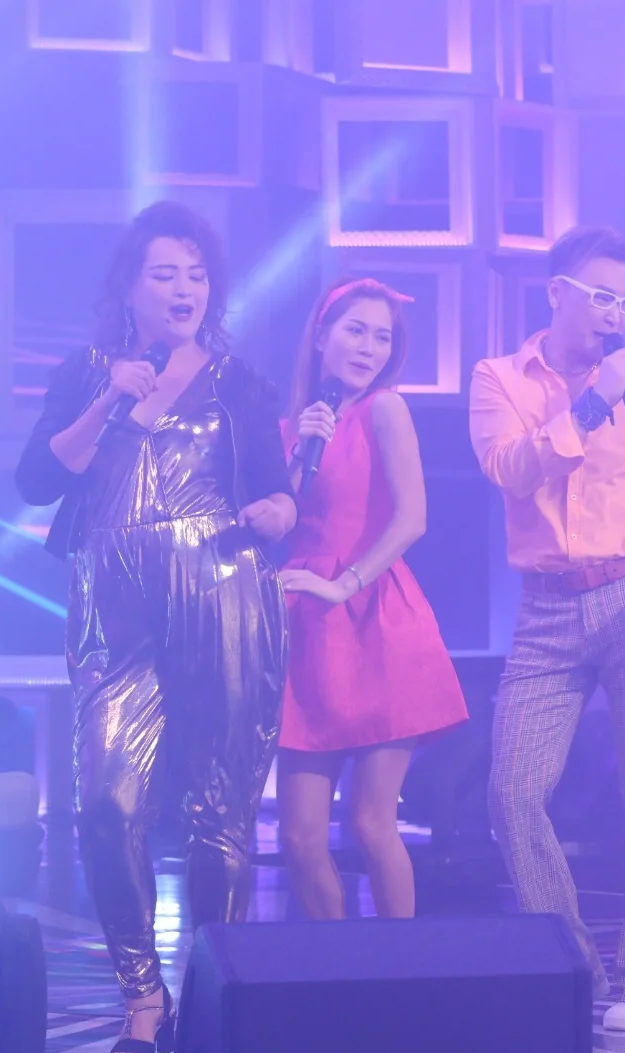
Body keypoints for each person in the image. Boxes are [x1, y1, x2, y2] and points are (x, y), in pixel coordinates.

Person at [14, 201, 294, 1053]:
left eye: (197, 275)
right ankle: (143, 998)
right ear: (129, 290)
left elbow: (279, 492)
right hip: (115, 605)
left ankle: (211, 997)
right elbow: (36, 481)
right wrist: (111, 399)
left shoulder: (240, 382)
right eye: (165, 273)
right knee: (106, 804)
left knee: (220, 811)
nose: (184, 289)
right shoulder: (86, 374)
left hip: (221, 590)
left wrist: (280, 511)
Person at [469, 224, 625, 1033]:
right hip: (546, 609)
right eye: (602, 298)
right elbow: (510, 469)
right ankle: (572, 966)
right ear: (557, 293)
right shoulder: (499, 378)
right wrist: (587, 406)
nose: (616, 315)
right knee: (513, 792)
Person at [275, 277, 468, 921]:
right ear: (321, 335)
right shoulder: (291, 429)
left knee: (371, 823)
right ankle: (338, 965)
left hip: (377, 616)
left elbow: (413, 519)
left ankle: (400, 965)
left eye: (382, 337)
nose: (368, 348)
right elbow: (273, 522)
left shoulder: (386, 409)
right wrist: (296, 453)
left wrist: (344, 583)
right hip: (306, 625)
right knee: (300, 837)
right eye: (355, 330)